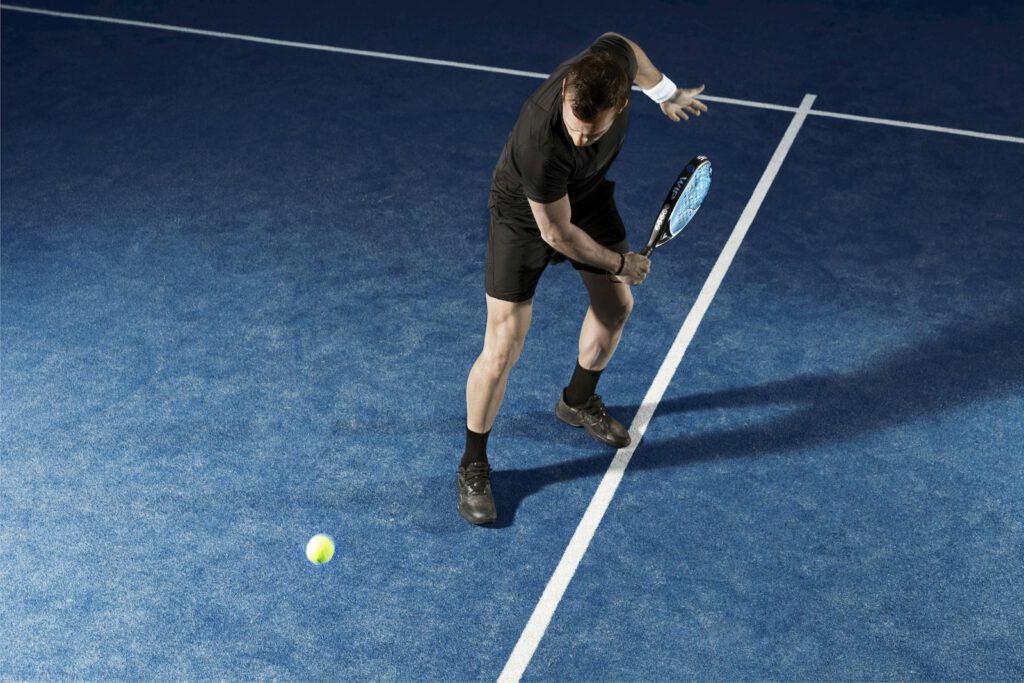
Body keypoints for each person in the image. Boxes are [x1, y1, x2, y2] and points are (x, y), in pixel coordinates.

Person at [458, 33, 707, 525]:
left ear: (619, 102)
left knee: (616, 308)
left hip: (586, 197)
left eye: (590, 134)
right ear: (567, 90)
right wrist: (619, 264)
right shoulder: (541, 139)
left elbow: (625, 46)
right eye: (573, 126)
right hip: (525, 216)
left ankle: (577, 401)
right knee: (504, 343)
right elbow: (556, 232)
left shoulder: (611, 69)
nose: (578, 138)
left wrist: (664, 91)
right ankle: (473, 463)